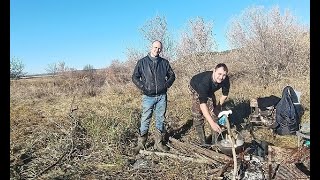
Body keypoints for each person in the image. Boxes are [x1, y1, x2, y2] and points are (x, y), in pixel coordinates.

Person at [132, 40, 176, 154]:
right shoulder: (142, 62)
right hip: (148, 97)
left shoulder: (164, 62)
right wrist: (143, 87)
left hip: (162, 96)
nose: (157, 50)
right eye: (155, 47)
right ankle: (141, 144)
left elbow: (172, 75)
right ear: (151, 47)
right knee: (145, 119)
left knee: (160, 119)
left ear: (161, 49)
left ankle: (159, 143)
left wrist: (166, 85)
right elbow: (135, 77)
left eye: (159, 48)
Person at [189, 63, 230, 146]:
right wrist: (211, 123)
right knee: (198, 114)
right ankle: (203, 143)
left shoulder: (225, 79)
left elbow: (225, 94)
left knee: (214, 113)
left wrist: (218, 107)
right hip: (195, 87)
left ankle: (215, 143)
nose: (221, 77)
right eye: (219, 74)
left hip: (209, 90)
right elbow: (203, 104)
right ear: (214, 71)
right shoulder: (204, 83)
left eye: (224, 75)